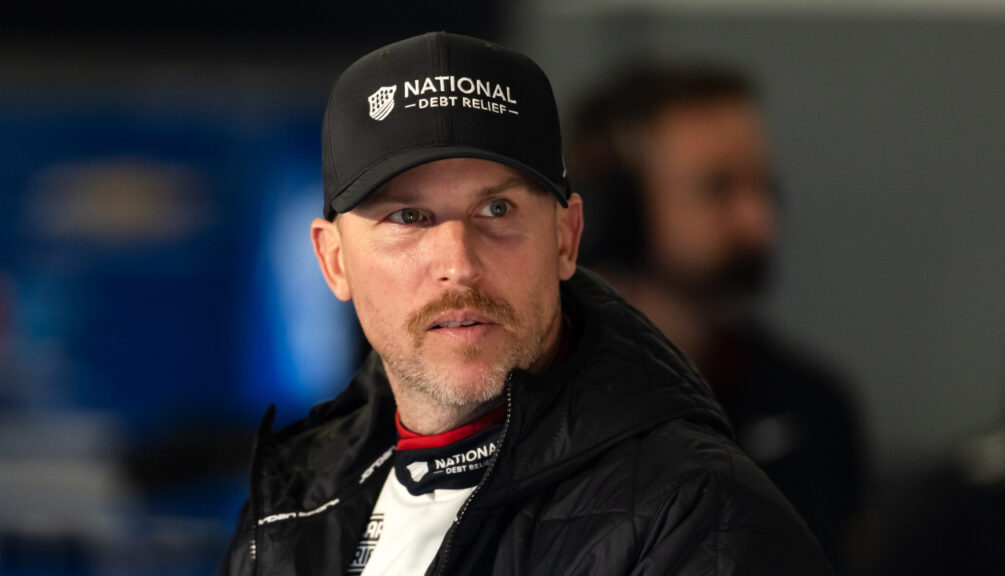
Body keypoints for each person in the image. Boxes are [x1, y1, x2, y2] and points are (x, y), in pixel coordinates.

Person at [218, 32, 832, 575]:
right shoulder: (288, 505)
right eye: (408, 216)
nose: (458, 262)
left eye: (497, 210)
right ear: (334, 261)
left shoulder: (699, 516)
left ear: (566, 238)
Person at [568, 66, 863, 571]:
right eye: (718, 189)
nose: (758, 219)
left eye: (762, 186)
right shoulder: (551, 409)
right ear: (618, 211)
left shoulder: (812, 407)